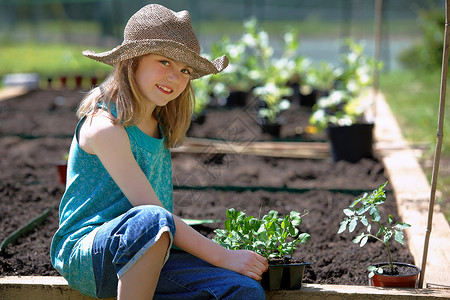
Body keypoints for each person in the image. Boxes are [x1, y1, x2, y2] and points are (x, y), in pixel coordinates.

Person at [50, 4, 268, 300]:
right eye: (164, 62)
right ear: (132, 61)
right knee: (151, 219)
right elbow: (152, 212)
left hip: (152, 248)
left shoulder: (157, 123)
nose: (175, 78)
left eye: (185, 70)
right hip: (92, 256)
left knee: (245, 291)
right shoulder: (105, 128)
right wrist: (223, 256)